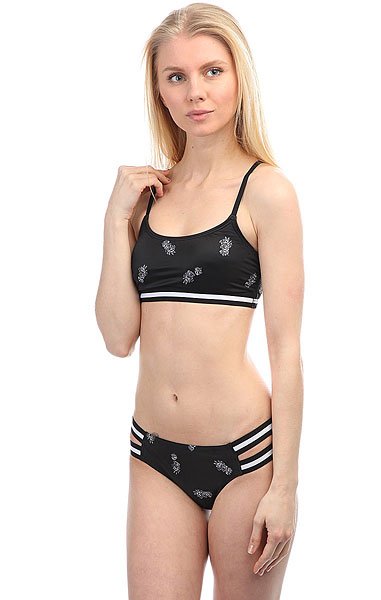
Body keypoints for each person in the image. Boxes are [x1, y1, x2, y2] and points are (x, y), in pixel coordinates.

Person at [95, 3, 304, 599]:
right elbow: (117, 338)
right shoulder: (148, 195)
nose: (196, 91)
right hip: (153, 453)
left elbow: (286, 351)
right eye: (176, 76)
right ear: (159, 90)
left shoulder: (267, 192)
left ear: (239, 76)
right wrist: (115, 222)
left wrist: (285, 487)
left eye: (212, 71)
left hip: (245, 458)